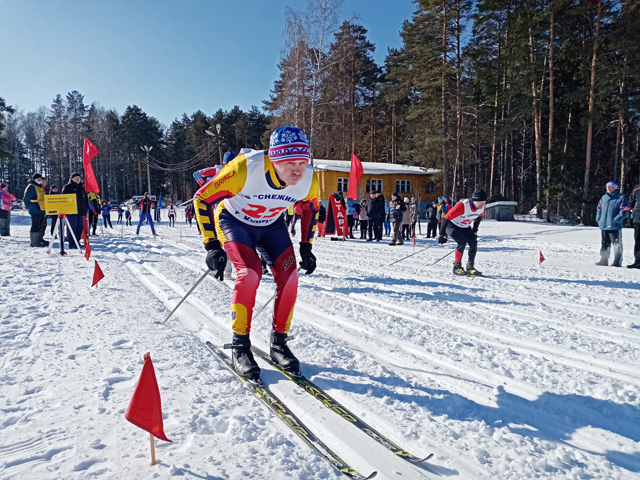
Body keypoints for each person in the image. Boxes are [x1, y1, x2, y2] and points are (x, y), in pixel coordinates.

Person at [193, 125, 319, 382]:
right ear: (274, 158)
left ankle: (279, 343)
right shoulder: (245, 168)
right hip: (234, 222)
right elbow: (202, 198)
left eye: (303, 161)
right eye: (290, 161)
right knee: (251, 273)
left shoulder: (309, 178)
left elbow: (310, 210)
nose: (298, 169)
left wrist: (307, 245)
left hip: (272, 225)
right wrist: (212, 245)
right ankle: (240, 346)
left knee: (291, 277)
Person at [439, 189, 487, 276]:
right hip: (452, 224)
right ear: (474, 200)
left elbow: (479, 217)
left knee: (473, 242)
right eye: (480, 202)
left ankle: (470, 267)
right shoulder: (463, 206)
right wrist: (442, 234)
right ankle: (457, 267)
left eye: (484, 202)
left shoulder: (482, 207)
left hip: (464, 226)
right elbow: (446, 218)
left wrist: (475, 230)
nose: (482, 205)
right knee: (462, 243)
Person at [595, 181, 628, 267]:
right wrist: (598, 219)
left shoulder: (621, 198)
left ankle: (617, 262)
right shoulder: (603, 198)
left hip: (614, 226)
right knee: (604, 243)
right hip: (604, 225)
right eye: (607, 186)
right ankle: (604, 260)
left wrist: (616, 220)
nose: (608, 188)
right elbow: (599, 209)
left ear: (615, 188)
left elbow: (624, 211)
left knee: (617, 244)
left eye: (611, 186)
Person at [61, 172, 89, 249]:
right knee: (72, 228)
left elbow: (85, 199)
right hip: (71, 211)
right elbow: (64, 199)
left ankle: (77, 242)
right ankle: (72, 244)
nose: (78, 179)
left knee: (80, 228)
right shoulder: (67, 187)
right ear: (72, 178)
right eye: (76, 177)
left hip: (81, 211)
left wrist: (86, 207)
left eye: (79, 177)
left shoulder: (82, 188)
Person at [23, 174, 48, 247]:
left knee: (40, 225)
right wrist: (30, 207)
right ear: (34, 180)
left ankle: (39, 239)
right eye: (38, 180)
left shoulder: (39, 187)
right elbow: (26, 199)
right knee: (35, 225)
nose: (40, 181)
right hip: (35, 209)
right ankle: (34, 242)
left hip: (41, 209)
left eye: (41, 180)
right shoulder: (31, 187)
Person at [628, 182, 640, 268]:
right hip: (637, 218)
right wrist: (629, 216)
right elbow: (630, 202)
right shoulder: (637, 188)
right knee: (638, 242)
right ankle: (638, 262)